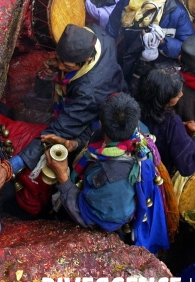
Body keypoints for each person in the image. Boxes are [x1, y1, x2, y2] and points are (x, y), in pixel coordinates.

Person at [45, 93, 169, 254]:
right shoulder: (136, 134)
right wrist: (73, 144)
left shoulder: (116, 182)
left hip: (108, 229)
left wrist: (63, 179)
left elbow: (93, 220)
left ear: (101, 123)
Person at [11, 24, 127, 175]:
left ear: (88, 59)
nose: (59, 66)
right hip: (111, 82)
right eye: (58, 58)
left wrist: (15, 163)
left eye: (66, 65)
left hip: (101, 109)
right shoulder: (96, 34)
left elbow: (60, 129)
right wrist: (60, 64)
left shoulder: (88, 93)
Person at [106, 0, 194, 84]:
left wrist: (163, 42)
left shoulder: (176, 13)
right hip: (124, 65)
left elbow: (187, 48)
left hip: (153, 77)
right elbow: (111, 29)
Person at [137, 66, 195, 175]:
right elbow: (188, 165)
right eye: (177, 93)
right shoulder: (172, 123)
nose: (181, 94)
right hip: (156, 176)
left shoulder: (133, 108)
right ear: (164, 97)